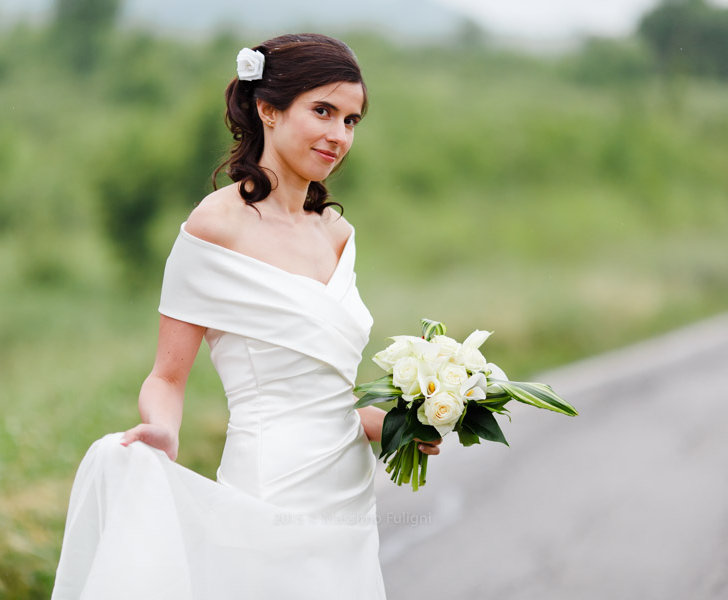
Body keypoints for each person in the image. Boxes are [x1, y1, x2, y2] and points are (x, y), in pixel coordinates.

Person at [50, 33, 441, 600]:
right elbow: (166, 376)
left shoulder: (337, 234)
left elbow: (330, 396)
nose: (338, 135)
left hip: (349, 504)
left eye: (352, 120)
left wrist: (404, 426)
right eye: (323, 111)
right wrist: (164, 429)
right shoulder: (216, 227)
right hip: (270, 491)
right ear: (268, 109)